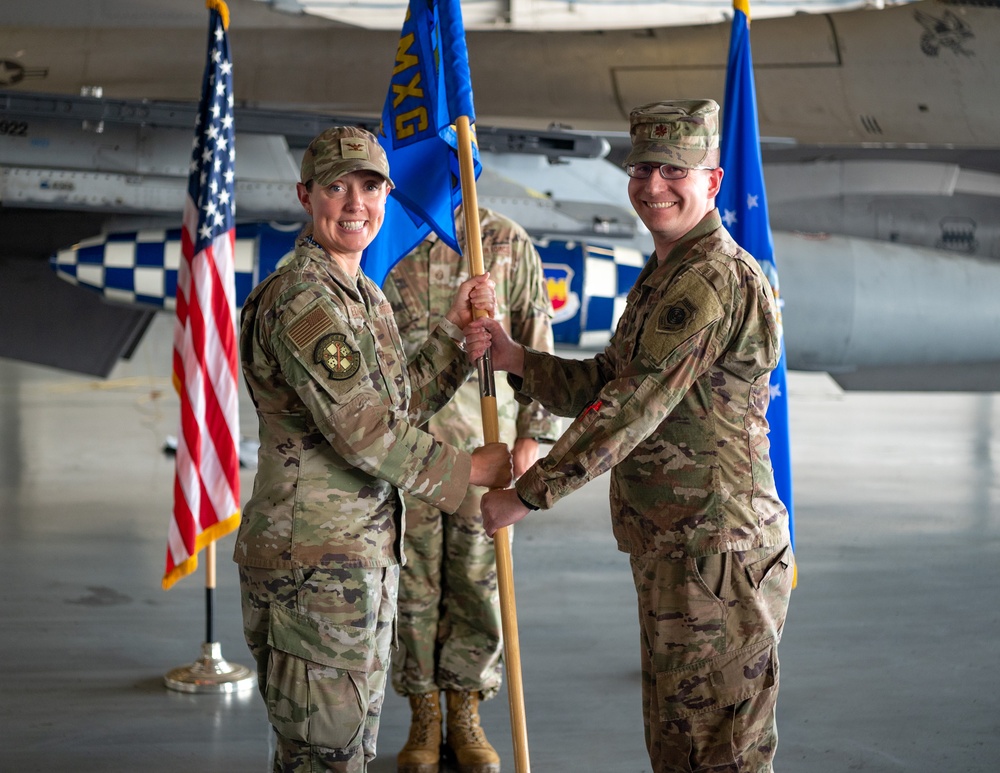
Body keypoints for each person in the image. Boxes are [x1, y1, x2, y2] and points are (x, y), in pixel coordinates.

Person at [466, 101, 794, 772]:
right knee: (681, 744)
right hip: (681, 550)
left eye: (675, 168)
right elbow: (611, 379)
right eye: (641, 167)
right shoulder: (667, 274)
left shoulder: (705, 280)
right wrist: (517, 360)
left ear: (713, 179)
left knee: (717, 753)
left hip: (715, 552)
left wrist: (528, 493)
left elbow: (631, 407)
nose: (652, 185)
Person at [234, 126, 513, 773]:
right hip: (311, 571)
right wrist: (470, 470)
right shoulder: (304, 297)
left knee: (345, 754)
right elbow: (362, 431)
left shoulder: (361, 295)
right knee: (323, 759)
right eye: (336, 186)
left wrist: (452, 336)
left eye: (370, 186)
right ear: (306, 196)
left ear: (388, 196)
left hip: (352, 566)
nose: (355, 203)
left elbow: (395, 404)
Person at [383, 208, 559, 773]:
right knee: (411, 590)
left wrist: (534, 433)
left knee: (479, 589)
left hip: (486, 453)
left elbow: (535, 336)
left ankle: (465, 712)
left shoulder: (506, 242)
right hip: (404, 456)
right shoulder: (386, 235)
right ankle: (422, 716)